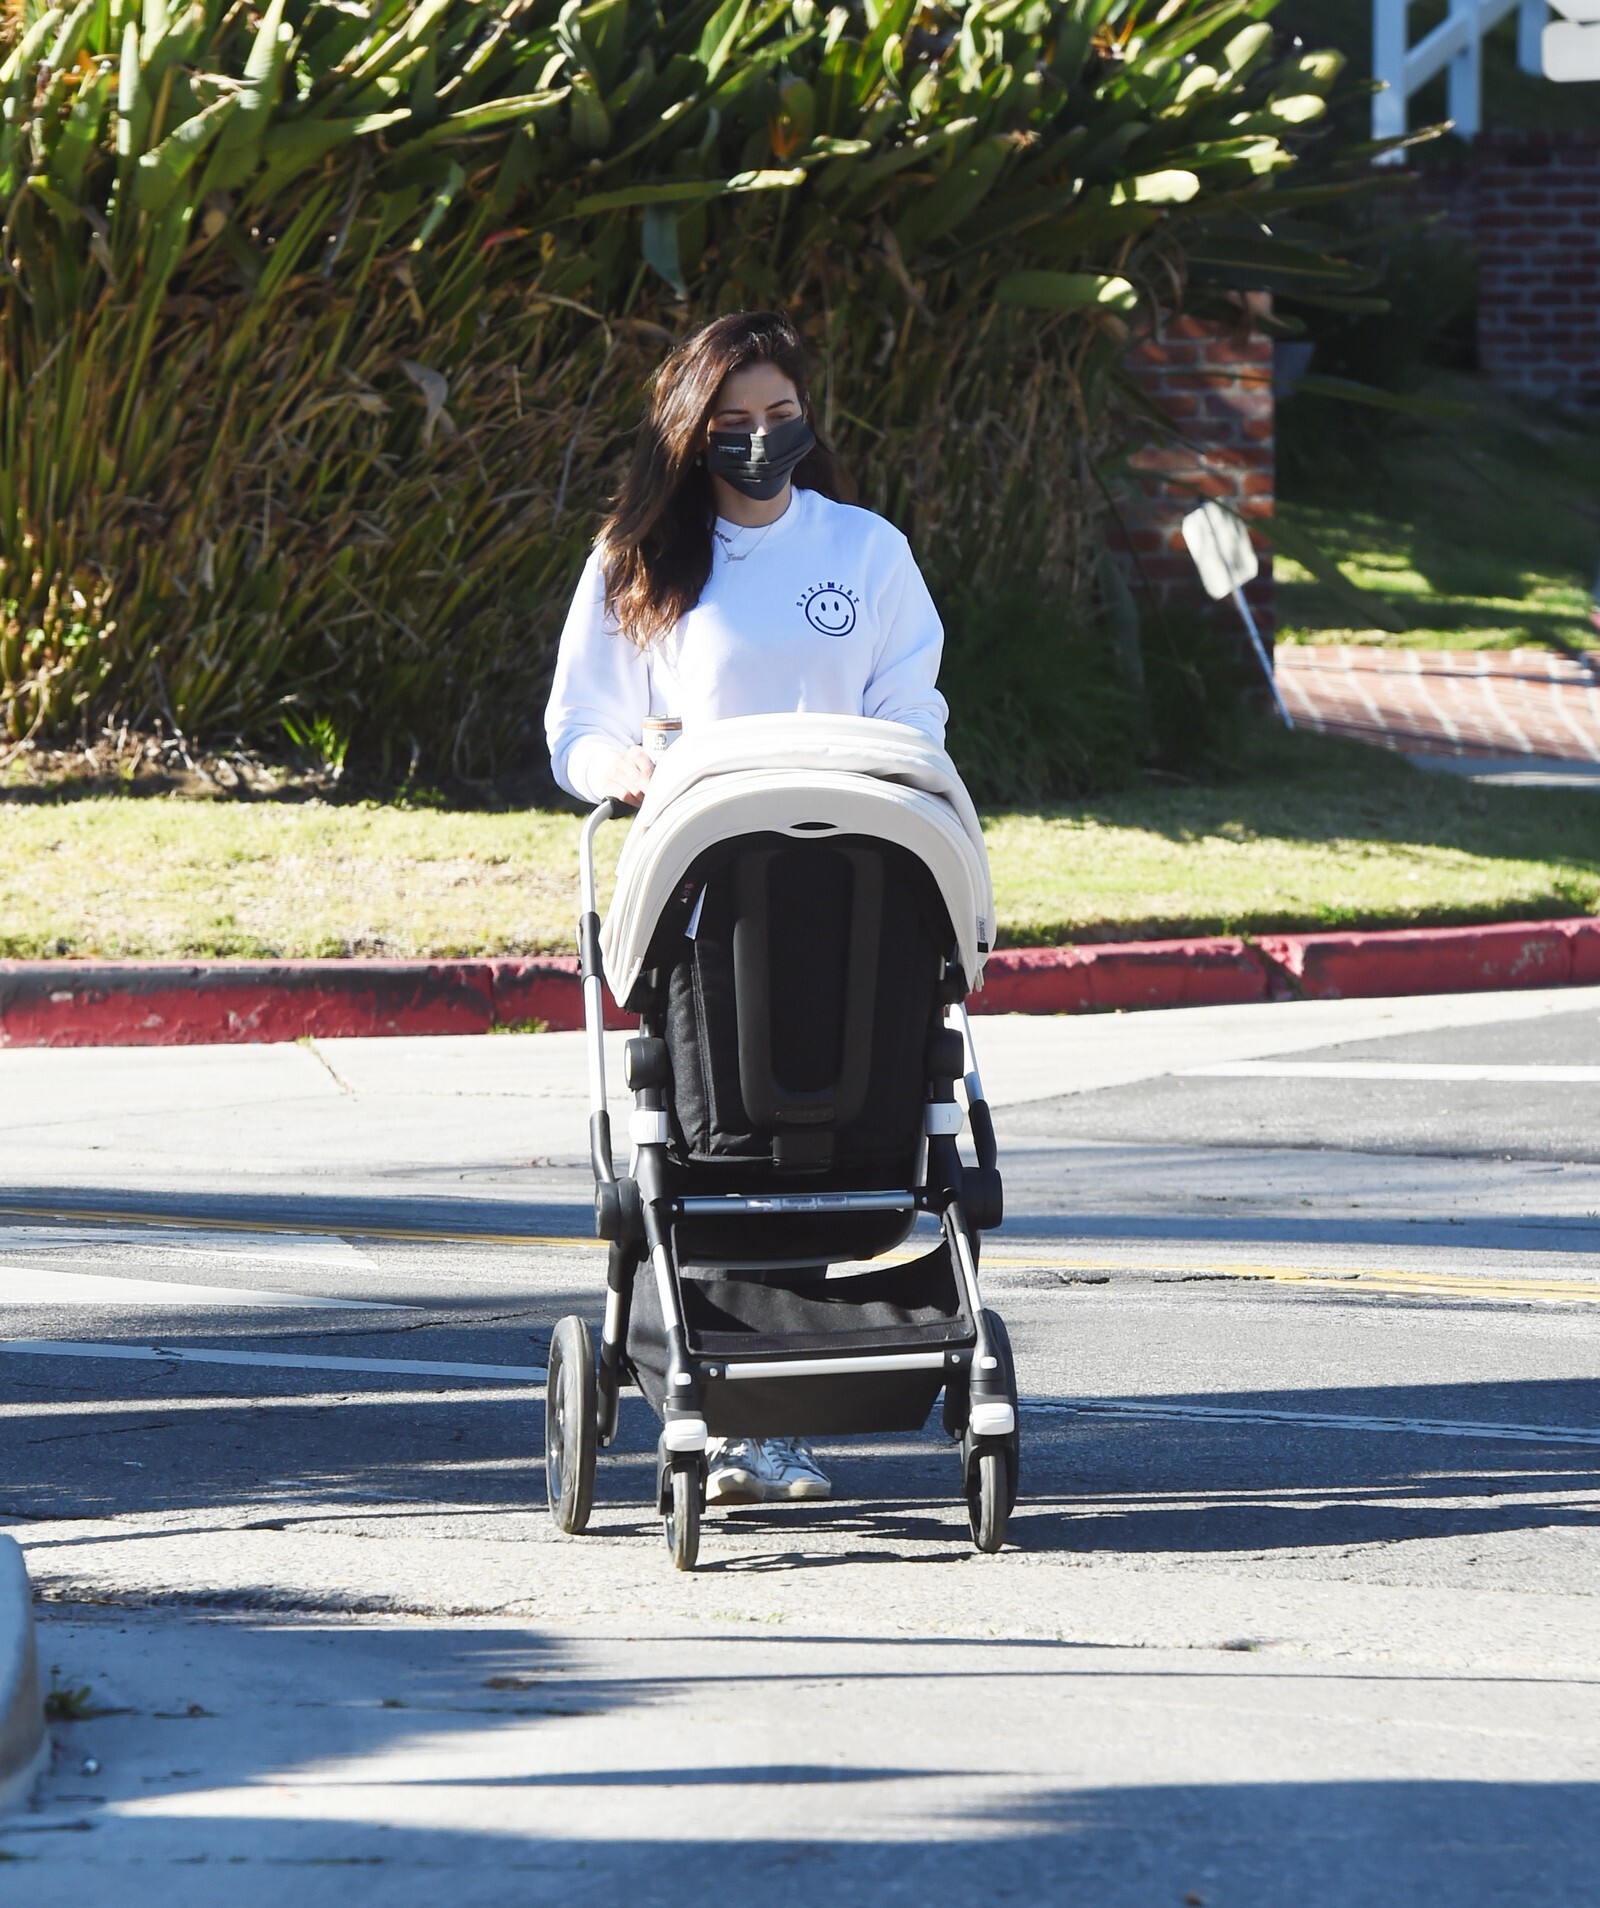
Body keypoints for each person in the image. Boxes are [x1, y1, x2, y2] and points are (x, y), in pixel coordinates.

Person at [544, 309, 948, 1507]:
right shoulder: (638, 559)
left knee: (834, 1114)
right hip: (701, 891)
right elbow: (579, 724)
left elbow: (912, 709)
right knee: (717, 1129)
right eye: (734, 421)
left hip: (853, 884)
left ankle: (796, 1395)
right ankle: (733, 1419)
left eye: (781, 415)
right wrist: (619, 765)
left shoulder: (863, 552)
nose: (761, 439)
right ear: (690, 430)